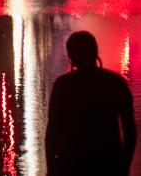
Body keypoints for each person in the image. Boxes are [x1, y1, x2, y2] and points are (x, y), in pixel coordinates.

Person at [44, 30, 136, 176]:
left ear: (72, 57)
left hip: (71, 165)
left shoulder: (63, 85)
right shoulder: (116, 83)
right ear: (95, 52)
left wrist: (51, 168)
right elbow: (130, 131)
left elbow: (53, 132)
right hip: (108, 163)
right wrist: (124, 166)